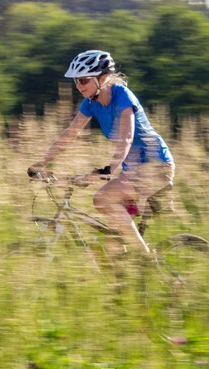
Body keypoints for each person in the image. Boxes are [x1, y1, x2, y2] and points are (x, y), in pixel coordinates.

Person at [28, 50, 174, 257]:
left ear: (103, 78)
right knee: (111, 243)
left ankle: (146, 258)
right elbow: (70, 133)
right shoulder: (90, 103)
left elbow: (126, 138)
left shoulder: (122, 96)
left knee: (102, 198)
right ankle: (124, 281)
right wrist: (42, 163)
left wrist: (108, 170)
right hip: (131, 171)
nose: (79, 87)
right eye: (77, 81)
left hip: (155, 166)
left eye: (84, 81)